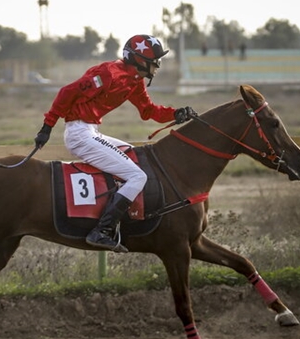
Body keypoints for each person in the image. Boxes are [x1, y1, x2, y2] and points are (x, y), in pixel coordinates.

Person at [34, 34, 197, 252]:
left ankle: (119, 219)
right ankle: (102, 231)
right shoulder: (108, 73)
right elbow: (67, 92)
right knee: (138, 175)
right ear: (140, 60)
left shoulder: (135, 81)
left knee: (132, 154)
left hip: (91, 131)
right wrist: (47, 126)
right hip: (79, 134)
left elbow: (148, 111)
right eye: (155, 61)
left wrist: (175, 114)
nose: (157, 66)